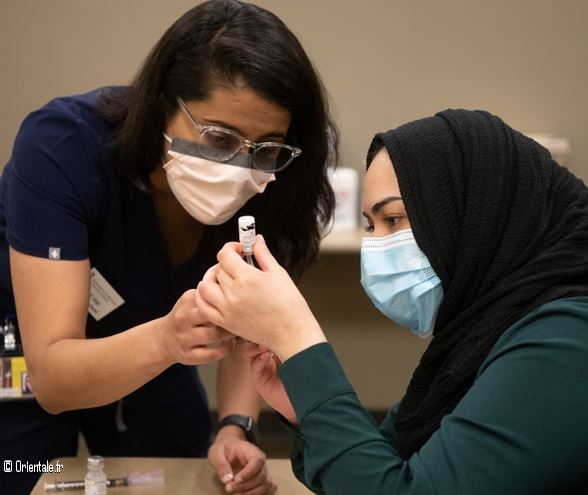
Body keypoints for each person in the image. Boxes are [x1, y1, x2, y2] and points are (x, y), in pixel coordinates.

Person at [0, 1, 337, 493]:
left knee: (184, 480)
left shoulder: (274, 177)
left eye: (265, 146)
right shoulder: (63, 147)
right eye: (220, 138)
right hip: (26, 356)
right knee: (21, 476)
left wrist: (234, 426)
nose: (241, 167)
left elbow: (252, 328)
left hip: (158, 348)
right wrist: (164, 341)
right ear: (162, 104)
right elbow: (52, 380)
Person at [195, 109, 588, 494]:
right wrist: (303, 409)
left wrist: (297, 337)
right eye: (370, 225)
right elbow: (381, 465)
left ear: (475, 213)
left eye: (395, 220)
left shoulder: (567, 340)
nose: (377, 245)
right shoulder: (482, 328)